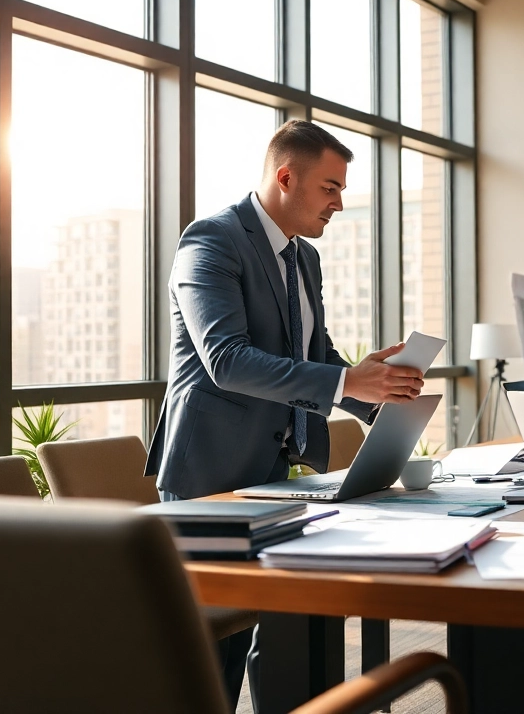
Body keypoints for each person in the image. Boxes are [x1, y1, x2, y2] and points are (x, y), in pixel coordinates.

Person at [144, 120, 424, 710]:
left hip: (272, 474)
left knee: (285, 631)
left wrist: (377, 396)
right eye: (330, 188)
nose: (339, 204)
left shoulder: (303, 259)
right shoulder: (211, 241)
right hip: (210, 477)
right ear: (286, 177)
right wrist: (347, 380)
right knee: (211, 660)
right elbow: (226, 360)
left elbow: (313, 356)